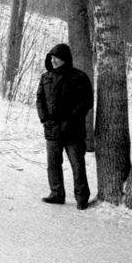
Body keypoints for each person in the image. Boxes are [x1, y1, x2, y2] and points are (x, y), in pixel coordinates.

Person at [36, 43, 93, 210]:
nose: (53, 61)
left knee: (77, 164)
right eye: (51, 58)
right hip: (52, 129)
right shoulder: (46, 77)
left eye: (56, 58)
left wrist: (70, 119)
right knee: (53, 164)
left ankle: (82, 198)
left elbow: (86, 102)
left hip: (73, 130)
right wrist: (45, 119)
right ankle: (56, 194)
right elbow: (40, 99)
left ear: (65, 59)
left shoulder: (79, 77)